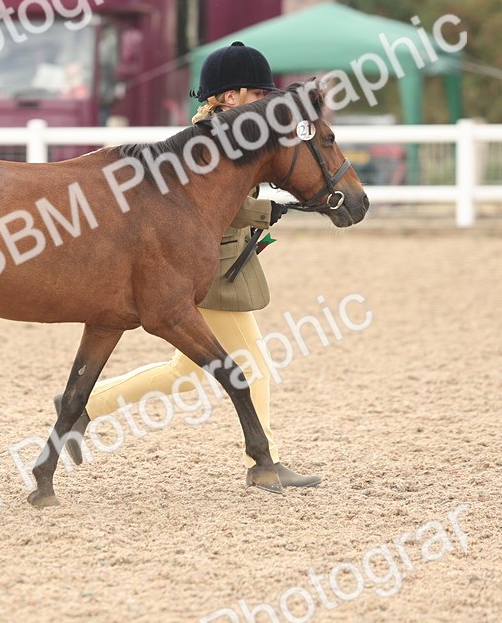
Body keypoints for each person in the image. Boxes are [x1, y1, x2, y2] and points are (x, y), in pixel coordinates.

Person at [56, 41, 321, 492]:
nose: (265, 103)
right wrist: (265, 212)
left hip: (224, 259)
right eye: (258, 95)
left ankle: (82, 404)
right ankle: (266, 462)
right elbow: (213, 205)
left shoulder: (231, 135)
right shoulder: (212, 139)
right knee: (252, 363)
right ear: (229, 97)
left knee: (184, 371)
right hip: (208, 265)